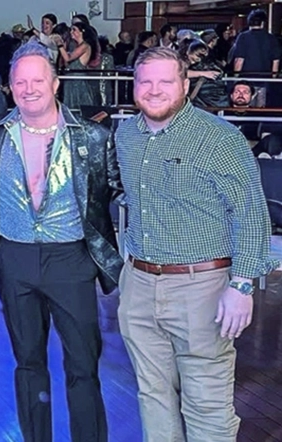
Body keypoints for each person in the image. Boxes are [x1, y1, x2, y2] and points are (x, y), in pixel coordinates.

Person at [116, 46, 274, 442]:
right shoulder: (126, 135)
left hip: (202, 286)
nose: (154, 90)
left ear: (185, 85)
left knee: (207, 405)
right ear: (134, 86)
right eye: (145, 81)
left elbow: (252, 214)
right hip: (138, 283)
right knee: (152, 395)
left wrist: (241, 286)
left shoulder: (219, 139)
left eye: (165, 81)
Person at [0, 42, 123, 442]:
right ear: (9, 86)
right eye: (19, 81)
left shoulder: (93, 136)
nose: (28, 88)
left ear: (56, 83)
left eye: (37, 79)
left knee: (83, 366)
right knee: (28, 364)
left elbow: (116, 191)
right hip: (16, 258)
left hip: (71, 259)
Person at [230, 9, 280, 108]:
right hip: (264, 78)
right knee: (261, 107)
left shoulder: (243, 37)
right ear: (263, 23)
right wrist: (273, 79)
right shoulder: (271, 38)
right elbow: (276, 61)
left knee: (244, 106)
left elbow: (239, 60)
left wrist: (235, 78)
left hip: (246, 78)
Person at [60, 22, 102, 112]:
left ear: (81, 32)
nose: (71, 32)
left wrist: (60, 45)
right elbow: (67, 64)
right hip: (71, 79)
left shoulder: (85, 46)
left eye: (74, 30)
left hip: (77, 80)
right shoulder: (76, 46)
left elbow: (68, 58)